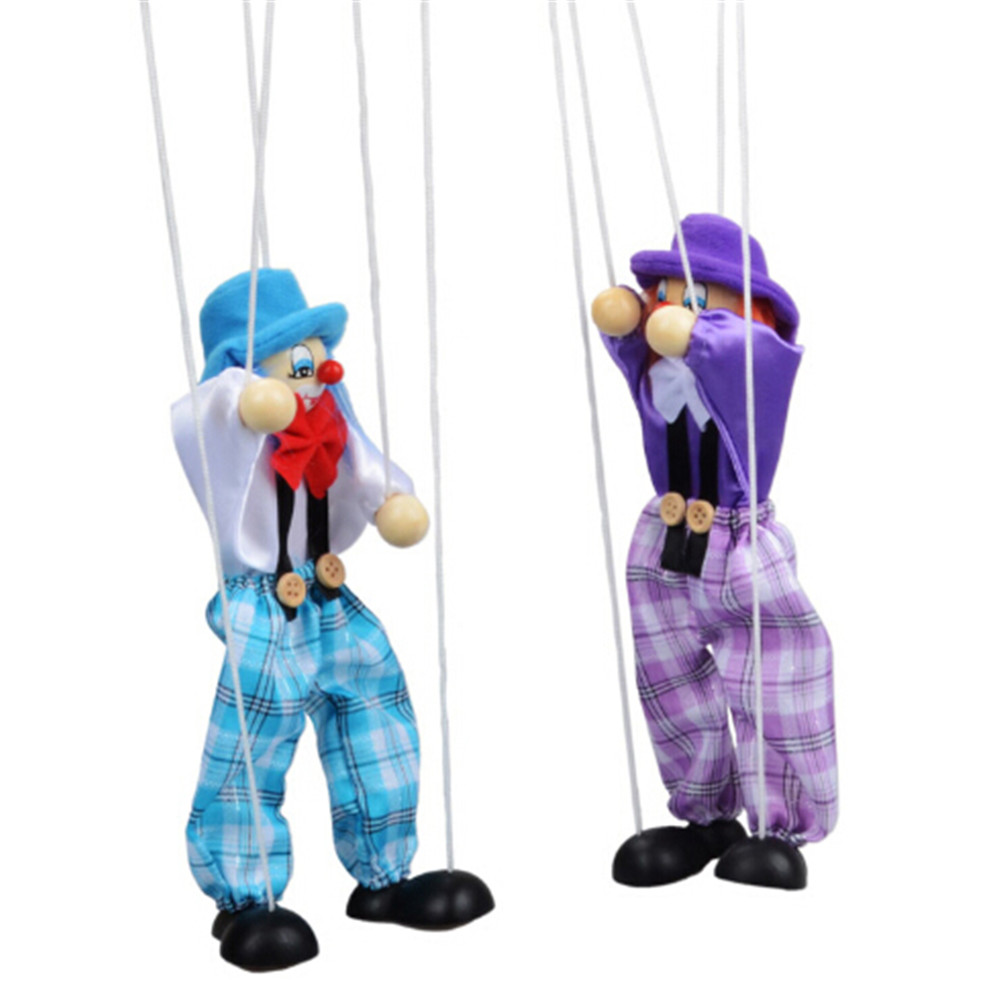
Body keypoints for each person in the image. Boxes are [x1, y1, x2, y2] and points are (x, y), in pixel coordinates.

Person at [173, 269, 492, 971]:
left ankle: (384, 874)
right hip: (261, 601)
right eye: (297, 358)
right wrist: (249, 395)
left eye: (316, 355)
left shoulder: (326, 416)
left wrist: (391, 502)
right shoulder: (226, 415)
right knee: (253, 738)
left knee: (375, 703)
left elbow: (365, 464)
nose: (318, 372)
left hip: (326, 592)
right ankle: (244, 897)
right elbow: (209, 412)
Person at [590, 214, 837, 890]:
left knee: (775, 671)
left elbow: (748, 347)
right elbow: (631, 336)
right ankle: (705, 815)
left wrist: (694, 327)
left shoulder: (752, 355)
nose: (677, 309)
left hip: (739, 537)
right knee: (669, 675)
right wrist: (630, 318)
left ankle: (782, 826)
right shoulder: (658, 364)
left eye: (699, 298)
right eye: (668, 294)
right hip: (663, 534)